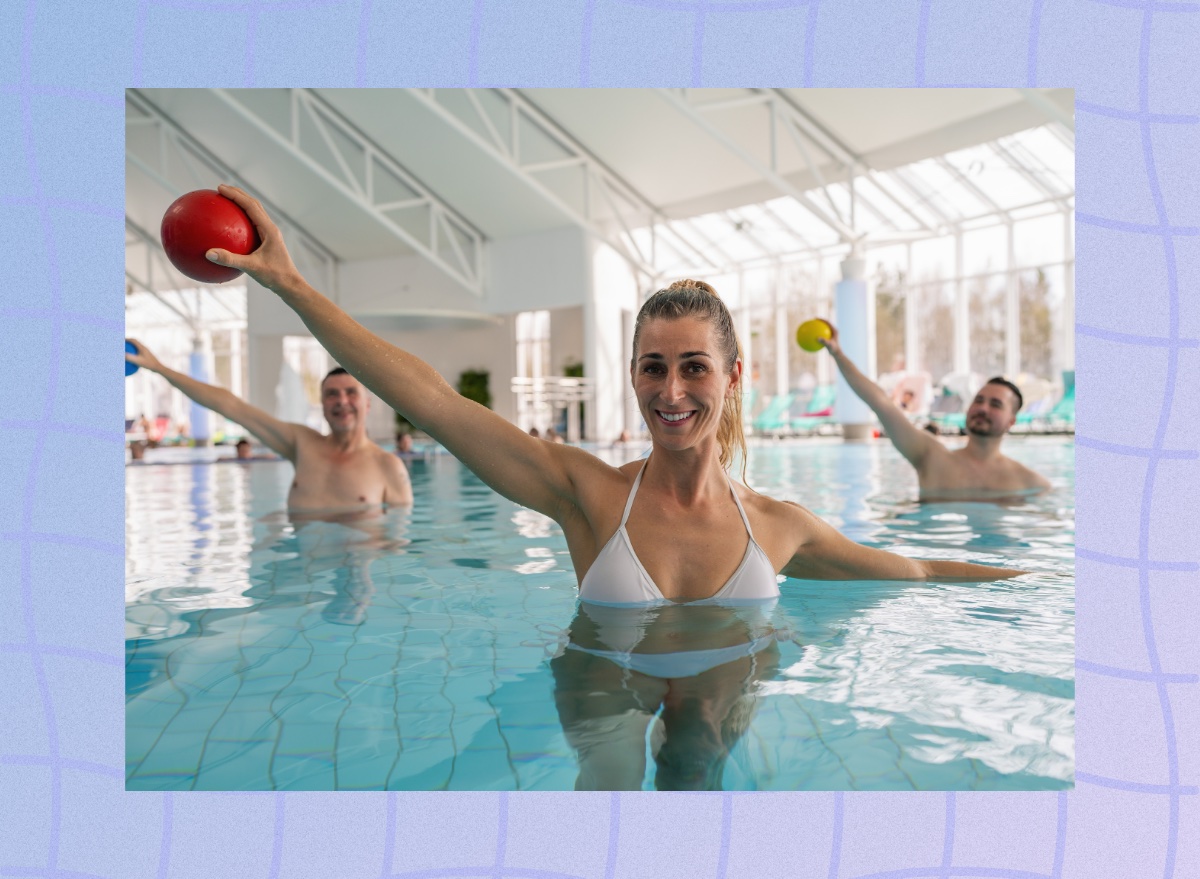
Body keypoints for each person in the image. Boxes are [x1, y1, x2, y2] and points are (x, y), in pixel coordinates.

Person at [203, 184, 1025, 786]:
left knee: (696, 785)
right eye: (653, 368)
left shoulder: (780, 525)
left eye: (693, 367)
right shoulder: (585, 493)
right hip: (600, 686)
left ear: (735, 376)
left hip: (722, 693)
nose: (672, 392)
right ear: (632, 375)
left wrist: (1028, 580)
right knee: (611, 801)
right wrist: (293, 286)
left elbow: (912, 569)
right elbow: (433, 400)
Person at [124, 338, 412, 510]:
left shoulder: (388, 467)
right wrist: (160, 368)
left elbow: (398, 546)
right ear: (322, 404)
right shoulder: (302, 444)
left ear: (368, 403)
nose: (342, 401)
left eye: (352, 393)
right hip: (300, 580)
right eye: (331, 394)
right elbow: (231, 406)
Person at [819, 322, 1051, 499]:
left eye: (995, 404)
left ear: (1011, 421)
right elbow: (880, 402)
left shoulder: (1029, 483)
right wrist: (838, 355)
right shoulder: (931, 457)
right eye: (978, 400)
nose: (982, 407)